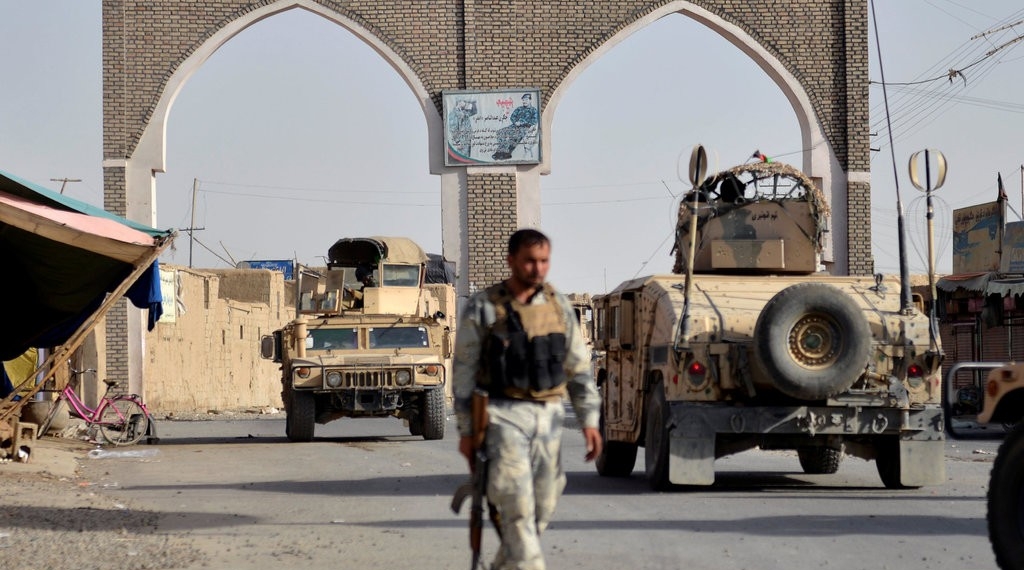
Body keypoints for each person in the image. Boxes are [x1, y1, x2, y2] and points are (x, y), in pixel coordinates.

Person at [454, 228, 602, 570]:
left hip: (549, 417)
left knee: (542, 506)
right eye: (530, 261)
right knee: (517, 508)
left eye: (544, 261)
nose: (538, 269)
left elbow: (578, 368)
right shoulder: (484, 307)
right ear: (511, 261)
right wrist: (466, 430)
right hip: (502, 417)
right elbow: (464, 371)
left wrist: (589, 421)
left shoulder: (557, 304)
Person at [492, 93, 539, 161]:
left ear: (530, 100)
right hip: (514, 126)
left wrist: (522, 123)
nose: (524, 101)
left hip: (525, 128)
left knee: (515, 135)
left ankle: (507, 153)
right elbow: (512, 117)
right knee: (501, 132)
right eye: (523, 100)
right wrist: (515, 122)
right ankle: (501, 151)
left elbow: (534, 121)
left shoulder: (533, 110)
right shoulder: (519, 109)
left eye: (526, 99)